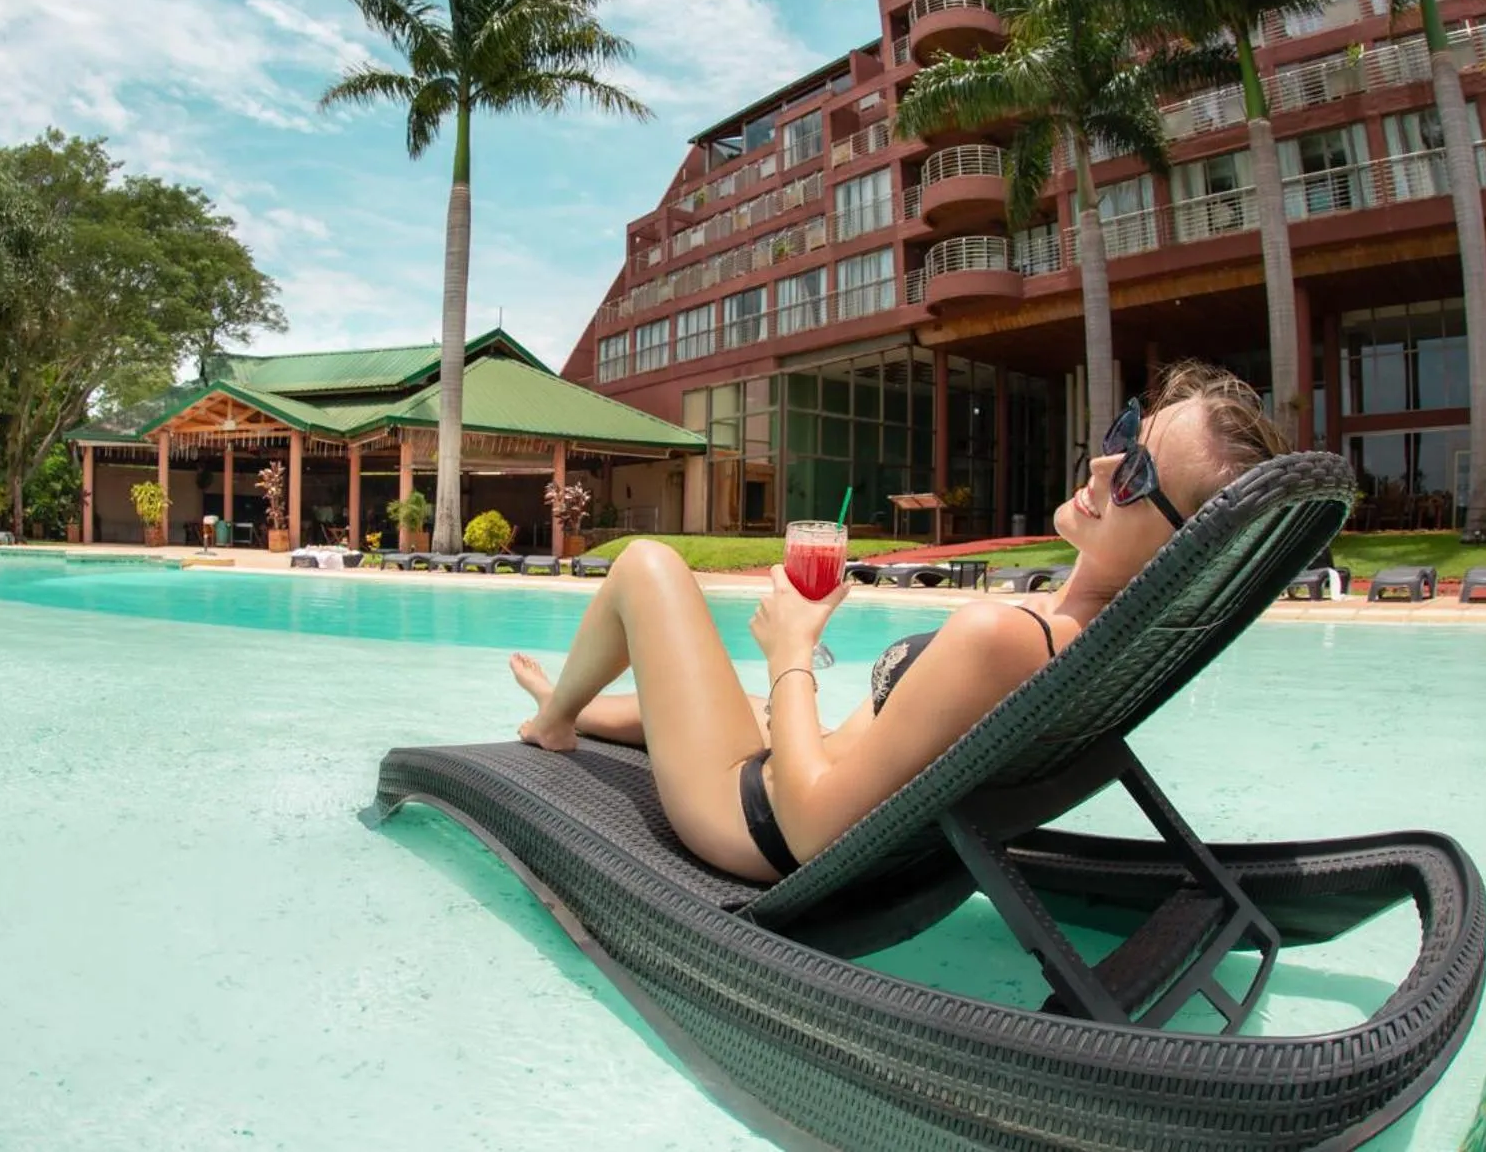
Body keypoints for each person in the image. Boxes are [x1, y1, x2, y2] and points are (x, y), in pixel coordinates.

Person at [508, 362, 1288, 883]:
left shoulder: (1003, 638)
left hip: (756, 822)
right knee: (734, 703)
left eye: (1136, 475)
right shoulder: (1077, 642)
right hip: (797, 769)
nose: (1101, 466)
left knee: (648, 565)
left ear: (1183, 548)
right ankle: (566, 705)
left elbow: (812, 829)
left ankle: (553, 719)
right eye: (1124, 434)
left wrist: (793, 649)